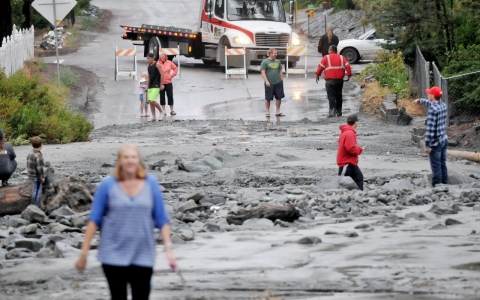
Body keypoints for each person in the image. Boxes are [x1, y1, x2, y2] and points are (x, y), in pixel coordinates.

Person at [76, 144, 176, 300]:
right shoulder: (107, 185)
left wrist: (168, 249)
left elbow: (162, 219)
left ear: (139, 160)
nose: (130, 161)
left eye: (133, 157)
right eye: (126, 157)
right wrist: (83, 254)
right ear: (119, 161)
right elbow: (94, 219)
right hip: (112, 253)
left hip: (143, 252)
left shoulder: (151, 183)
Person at [414, 86, 448, 187]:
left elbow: (430, 130)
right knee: (443, 164)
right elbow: (431, 103)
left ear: (432, 96)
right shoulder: (443, 105)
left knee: (436, 167)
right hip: (444, 139)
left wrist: (427, 145)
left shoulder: (433, 110)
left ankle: (437, 189)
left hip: (435, 142)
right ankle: (445, 186)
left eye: (429, 93)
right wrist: (420, 100)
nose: (428, 94)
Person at [315, 45, 352, 117]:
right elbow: (348, 66)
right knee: (339, 95)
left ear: (330, 50)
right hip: (339, 80)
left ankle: (332, 112)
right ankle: (339, 111)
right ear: (336, 51)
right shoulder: (342, 57)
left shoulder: (326, 57)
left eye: (328, 50)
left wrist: (317, 75)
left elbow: (320, 68)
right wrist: (349, 75)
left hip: (330, 81)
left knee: (331, 96)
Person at [337, 114, 365, 191]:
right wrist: (360, 149)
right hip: (346, 162)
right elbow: (351, 149)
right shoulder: (350, 133)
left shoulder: (346, 132)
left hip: (350, 162)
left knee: (359, 178)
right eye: (357, 121)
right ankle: (339, 195)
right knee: (342, 182)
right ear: (355, 122)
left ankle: (359, 195)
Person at [260, 48, 285, 118]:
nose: (276, 54)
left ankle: (278, 111)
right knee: (268, 98)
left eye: (276, 53)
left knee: (279, 97)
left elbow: (280, 71)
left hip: (278, 82)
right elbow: (263, 72)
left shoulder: (278, 62)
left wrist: (281, 80)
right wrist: (266, 81)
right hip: (269, 83)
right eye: (275, 53)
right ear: (270, 54)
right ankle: (267, 111)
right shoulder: (265, 62)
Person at [27, 136, 48, 207]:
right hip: (36, 176)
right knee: (37, 191)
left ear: (31, 145)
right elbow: (39, 168)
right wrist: (42, 177)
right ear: (41, 144)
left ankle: (33, 205)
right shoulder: (38, 155)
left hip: (30, 173)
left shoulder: (30, 153)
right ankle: (35, 206)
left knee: (34, 190)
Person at [146, 53, 165, 121]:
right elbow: (148, 76)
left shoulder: (157, 64)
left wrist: (161, 84)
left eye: (149, 58)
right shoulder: (148, 66)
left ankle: (162, 112)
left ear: (153, 58)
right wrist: (147, 86)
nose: (148, 60)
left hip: (156, 85)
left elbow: (162, 74)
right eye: (147, 58)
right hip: (150, 85)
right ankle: (153, 116)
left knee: (152, 100)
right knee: (150, 102)